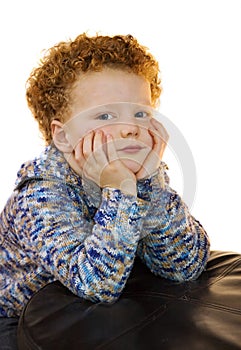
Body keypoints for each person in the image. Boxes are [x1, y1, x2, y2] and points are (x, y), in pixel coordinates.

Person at [0, 33, 210, 349]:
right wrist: (120, 189)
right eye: (106, 115)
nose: (131, 128)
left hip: (104, 308)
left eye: (141, 113)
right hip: (27, 324)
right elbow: (96, 283)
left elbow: (185, 266)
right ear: (63, 136)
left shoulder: (134, 171)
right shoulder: (38, 197)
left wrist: (149, 181)